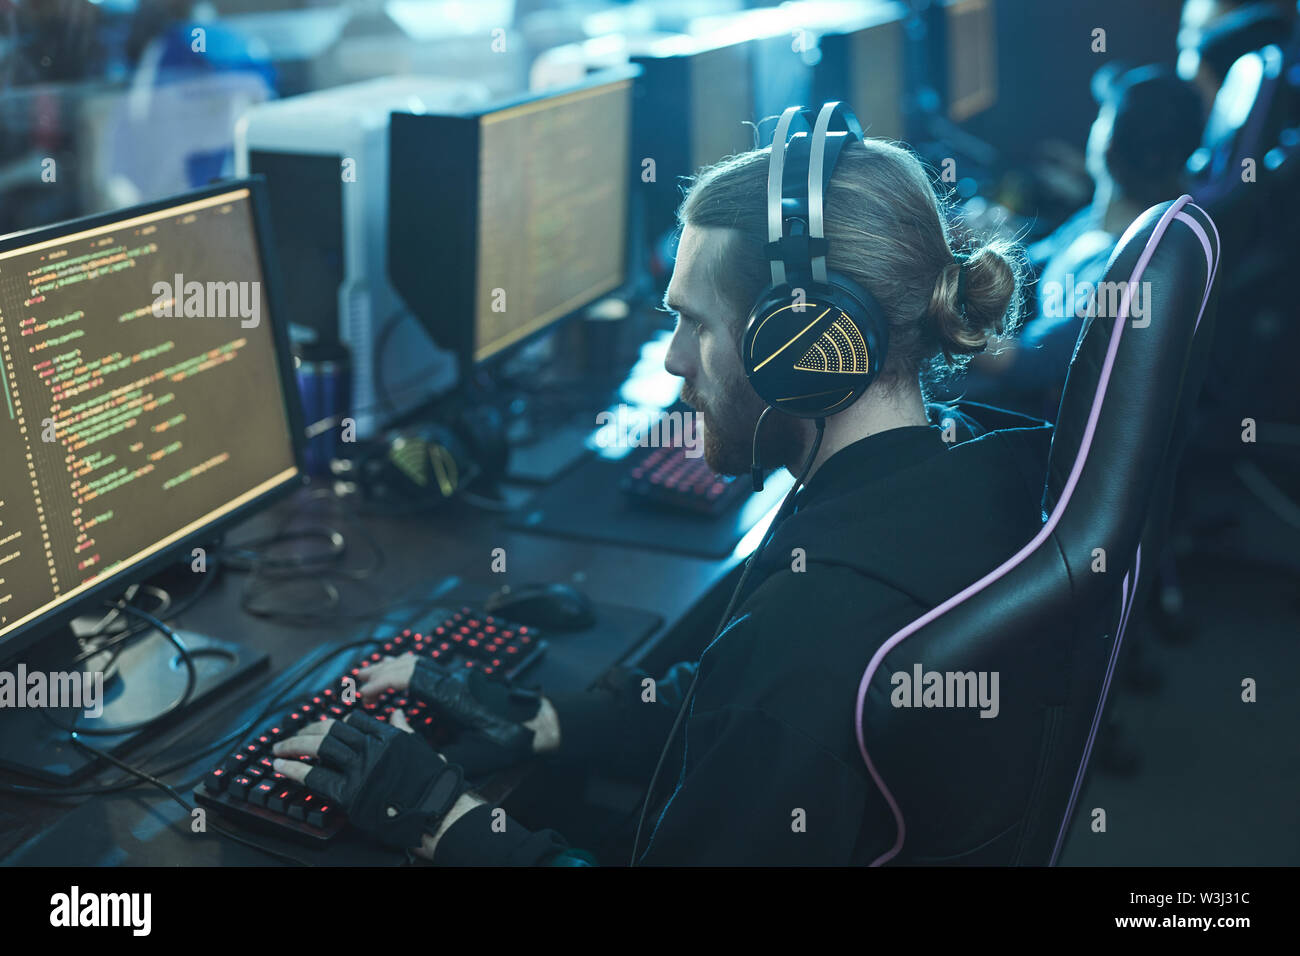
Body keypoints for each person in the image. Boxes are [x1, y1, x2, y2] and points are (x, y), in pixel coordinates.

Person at [269, 127, 1058, 865]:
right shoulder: (969, 465)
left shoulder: (813, 635)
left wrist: (437, 815)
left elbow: (771, 705)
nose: (675, 360)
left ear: (801, 349)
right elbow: (733, 709)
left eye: (696, 325)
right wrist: (539, 721)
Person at [961, 65, 1203, 417]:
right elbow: (1034, 262)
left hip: (1029, 417)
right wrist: (984, 239)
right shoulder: (1103, 215)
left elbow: (1024, 365)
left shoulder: (1123, 268)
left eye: (1102, 116)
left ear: (1108, 144)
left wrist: (943, 316)